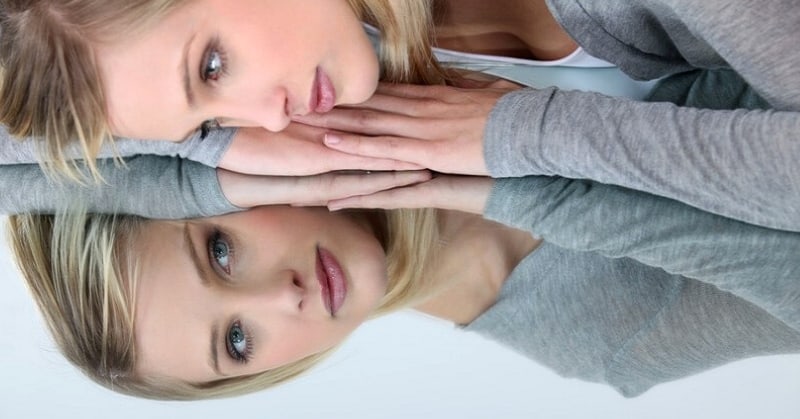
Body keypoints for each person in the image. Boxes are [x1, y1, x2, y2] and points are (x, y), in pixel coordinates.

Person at [2, 0, 799, 232]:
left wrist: (529, 134)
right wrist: (220, 159)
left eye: (212, 66)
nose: (268, 121)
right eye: (207, 118)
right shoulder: (382, 41)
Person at [9, 170, 800, 401]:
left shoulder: (381, 34)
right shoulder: (608, 332)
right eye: (238, 341)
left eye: (219, 251)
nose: (280, 296)